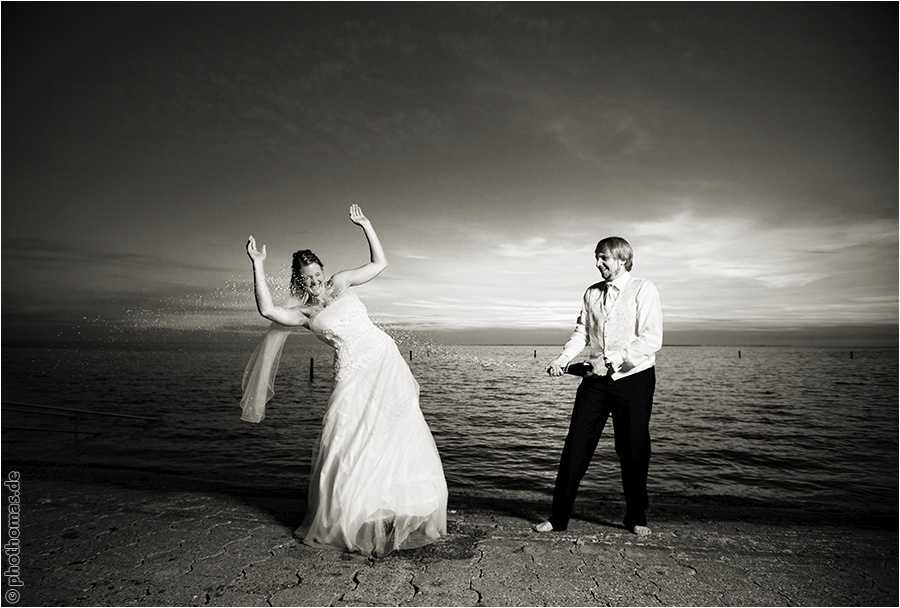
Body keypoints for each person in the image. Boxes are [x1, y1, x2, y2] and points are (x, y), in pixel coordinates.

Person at [241, 204, 448, 556]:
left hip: (384, 361)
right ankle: (350, 515)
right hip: (351, 373)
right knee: (346, 443)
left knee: (396, 431)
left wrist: (366, 224)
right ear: (299, 281)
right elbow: (267, 310)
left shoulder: (341, 283)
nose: (315, 280)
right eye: (307, 278)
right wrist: (257, 265)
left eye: (317, 272)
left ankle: (396, 506)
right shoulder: (305, 313)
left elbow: (379, 264)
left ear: (323, 270)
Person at [536, 236, 662, 536]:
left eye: (604, 257)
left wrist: (611, 360)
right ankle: (559, 517)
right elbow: (581, 332)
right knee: (576, 445)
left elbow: (651, 339)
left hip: (634, 379)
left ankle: (635, 516)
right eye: (596, 257)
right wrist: (563, 358)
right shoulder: (592, 293)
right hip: (595, 380)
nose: (598, 263)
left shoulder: (644, 289)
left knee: (632, 449)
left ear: (621, 258)